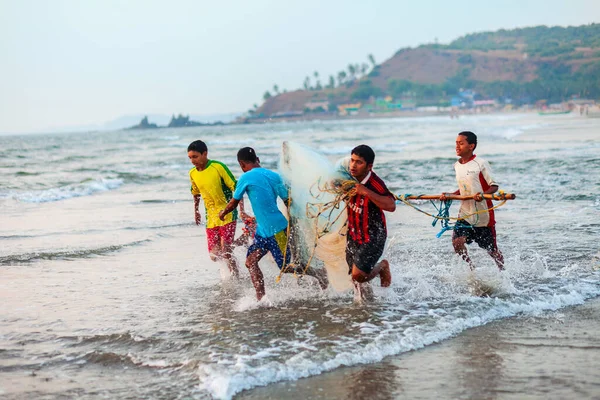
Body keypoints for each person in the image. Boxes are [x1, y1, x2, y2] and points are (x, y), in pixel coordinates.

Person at [219, 147, 328, 301]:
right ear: (258, 160)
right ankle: (261, 298)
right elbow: (287, 201)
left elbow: (233, 202)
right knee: (251, 261)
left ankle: (319, 273)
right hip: (264, 231)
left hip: (277, 231)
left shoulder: (246, 177)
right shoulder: (275, 176)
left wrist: (223, 213)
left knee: (285, 267)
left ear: (242, 164)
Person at [440, 131, 505, 271]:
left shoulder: (480, 163)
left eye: (461, 143)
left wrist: (482, 194)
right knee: (457, 243)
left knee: (492, 251)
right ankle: (471, 270)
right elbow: (464, 189)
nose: (457, 146)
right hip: (465, 213)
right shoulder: (457, 165)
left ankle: (503, 272)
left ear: (471, 146)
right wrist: (451, 195)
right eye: (456, 143)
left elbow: (493, 186)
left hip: (483, 215)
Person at [188, 140, 246, 278]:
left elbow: (237, 188)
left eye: (195, 157)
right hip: (211, 217)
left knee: (225, 251)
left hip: (227, 212)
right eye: (190, 157)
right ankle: (239, 244)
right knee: (214, 255)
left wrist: (242, 211)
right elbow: (195, 193)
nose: (192, 161)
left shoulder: (218, 167)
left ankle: (235, 277)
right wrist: (196, 211)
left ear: (205, 154)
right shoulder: (192, 173)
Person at [344, 145, 395, 300]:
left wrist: (365, 191)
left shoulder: (375, 183)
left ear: (369, 166)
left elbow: (391, 205)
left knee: (358, 275)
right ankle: (364, 309)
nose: (353, 165)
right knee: (355, 280)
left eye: (359, 162)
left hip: (373, 235)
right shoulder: (346, 177)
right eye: (352, 160)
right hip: (353, 232)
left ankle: (382, 267)